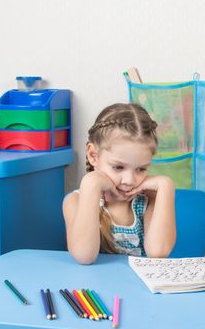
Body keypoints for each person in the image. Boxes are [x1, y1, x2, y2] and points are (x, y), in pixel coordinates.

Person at [63, 103, 176, 265]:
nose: (129, 180)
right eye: (118, 167)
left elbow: (158, 252)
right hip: (96, 288)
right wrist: (91, 183)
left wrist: (166, 186)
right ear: (93, 155)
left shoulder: (149, 199)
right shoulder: (75, 202)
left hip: (137, 289)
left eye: (141, 169)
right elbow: (84, 256)